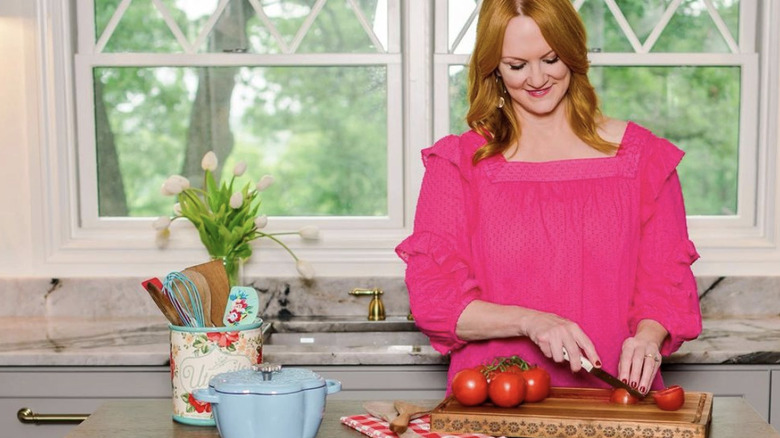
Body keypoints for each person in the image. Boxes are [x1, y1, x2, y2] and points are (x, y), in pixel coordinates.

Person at [396, 0, 702, 396]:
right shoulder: (458, 164)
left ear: (574, 54)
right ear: (494, 69)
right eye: (516, 65)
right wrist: (531, 321)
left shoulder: (643, 158)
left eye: (551, 59)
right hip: (493, 397)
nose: (536, 78)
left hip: (612, 397)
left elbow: (664, 282)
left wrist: (647, 337)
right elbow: (436, 303)